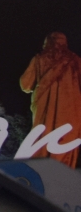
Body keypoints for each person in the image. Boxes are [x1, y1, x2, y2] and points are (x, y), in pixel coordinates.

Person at [21, 32, 81, 168]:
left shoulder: (39, 59)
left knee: (42, 141)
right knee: (66, 144)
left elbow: (25, 84)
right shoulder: (76, 61)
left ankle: (41, 173)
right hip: (71, 114)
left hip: (44, 112)